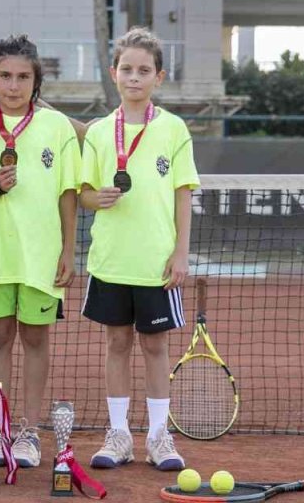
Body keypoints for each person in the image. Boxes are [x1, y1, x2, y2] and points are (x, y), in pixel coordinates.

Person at [0, 35, 79, 469]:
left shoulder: (57, 127)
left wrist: (68, 250)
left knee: (36, 338)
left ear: (35, 80)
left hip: (41, 257)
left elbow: (68, 193)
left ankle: (29, 430)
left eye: (23, 77)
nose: (13, 85)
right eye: (5, 76)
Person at [79, 27, 198, 472]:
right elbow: (83, 193)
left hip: (156, 264)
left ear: (158, 77)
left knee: (155, 347)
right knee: (116, 343)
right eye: (126, 69)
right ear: (114, 73)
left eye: (144, 70)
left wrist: (181, 252)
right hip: (111, 261)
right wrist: (97, 198)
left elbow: (183, 193)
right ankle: (119, 435)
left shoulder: (173, 129)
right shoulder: (98, 132)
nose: (134, 77)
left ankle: (159, 437)